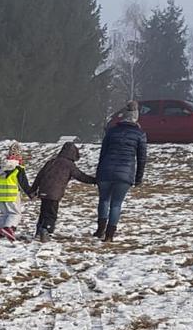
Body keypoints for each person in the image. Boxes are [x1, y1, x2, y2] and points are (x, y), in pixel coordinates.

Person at [96, 100, 149, 242]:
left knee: (104, 200)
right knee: (116, 204)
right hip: (125, 174)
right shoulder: (140, 134)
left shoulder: (111, 131)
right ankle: (109, 235)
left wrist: (98, 173)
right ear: (136, 116)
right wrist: (138, 177)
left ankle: (100, 229)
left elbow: (103, 153)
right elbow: (141, 158)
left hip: (106, 171)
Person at [32, 142, 97, 242]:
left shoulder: (51, 162)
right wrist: (94, 180)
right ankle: (46, 231)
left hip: (43, 190)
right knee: (51, 214)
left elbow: (39, 175)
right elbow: (80, 176)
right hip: (54, 193)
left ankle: (39, 231)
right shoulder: (69, 165)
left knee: (44, 212)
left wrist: (33, 189)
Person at [0, 143, 34, 242]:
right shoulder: (18, 168)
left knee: (5, 213)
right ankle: (8, 228)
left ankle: (1, 229)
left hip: (0, 195)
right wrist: (31, 194)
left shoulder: (0, 168)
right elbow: (23, 183)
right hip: (12, 194)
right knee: (15, 213)